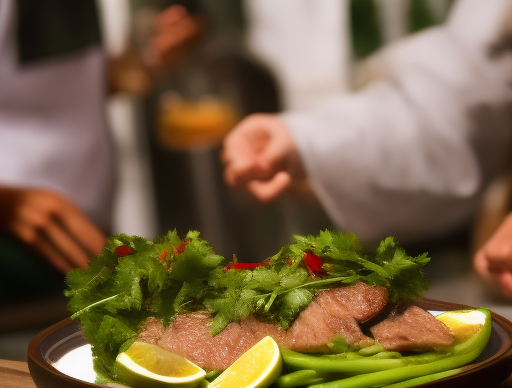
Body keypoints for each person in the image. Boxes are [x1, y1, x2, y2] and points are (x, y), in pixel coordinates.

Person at [222, 0, 512, 248]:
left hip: (462, 237)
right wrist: (305, 139)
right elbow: (458, 95)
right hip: (323, 218)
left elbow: (470, 88)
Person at [0, 0, 201, 303]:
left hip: (82, 233)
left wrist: (141, 60)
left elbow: (47, 89)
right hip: (15, 248)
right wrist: (6, 202)